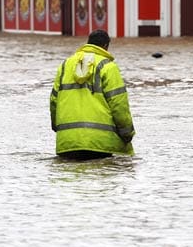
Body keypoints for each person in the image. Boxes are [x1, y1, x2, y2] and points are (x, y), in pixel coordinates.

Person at [50, 29, 135, 160]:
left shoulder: (65, 65)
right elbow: (119, 104)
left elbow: (54, 100)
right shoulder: (108, 67)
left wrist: (61, 130)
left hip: (68, 142)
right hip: (100, 143)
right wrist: (127, 134)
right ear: (106, 46)